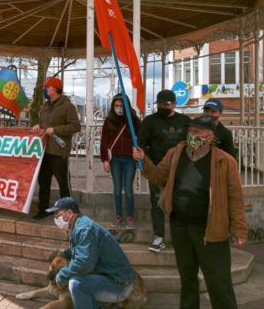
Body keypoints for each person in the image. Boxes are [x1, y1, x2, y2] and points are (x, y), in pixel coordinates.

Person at [132, 116, 247, 309]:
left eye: (197, 132)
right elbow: (159, 176)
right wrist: (144, 160)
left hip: (210, 230)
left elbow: (235, 198)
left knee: (218, 281)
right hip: (180, 227)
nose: (191, 135)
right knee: (187, 278)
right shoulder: (176, 153)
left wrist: (239, 229)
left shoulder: (225, 161)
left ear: (210, 137)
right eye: (190, 131)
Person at [46, 197, 135, 308]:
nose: (56, 218)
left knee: (76, 283)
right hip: (111, 280)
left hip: (119, 286)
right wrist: (64, 255)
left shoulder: (85, 229)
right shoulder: (80, 226)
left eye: (57, 215)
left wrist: (62, 275)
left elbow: (84, 263)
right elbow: (78, 251)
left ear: (69, 213)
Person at [138, 89, 191, 253]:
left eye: (166, 104)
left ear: (174, 104)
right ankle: (158, 236)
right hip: (157, 169)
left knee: (181, 203)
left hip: (181, 170)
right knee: (157, 202)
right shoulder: (149, 121)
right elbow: (141, 144)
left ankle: (180, 236)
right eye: (160, 104)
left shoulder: (185, 121)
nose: (162, 107)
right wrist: (147, 162)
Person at [31, 77, 81, 221]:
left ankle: (69, 212)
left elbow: (75, 126)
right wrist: (38, 127)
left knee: (64, 184)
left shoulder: (67, 106)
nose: (45, 91)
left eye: (47, 88)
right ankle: (43, 210)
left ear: (53, 89)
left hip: (59, 152)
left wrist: (56, 130)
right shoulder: (45, 106)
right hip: (45, 150)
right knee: (43, 182)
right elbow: (43, 124)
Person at [100, 93, 141, 229]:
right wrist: (105, 160)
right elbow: (104, 141)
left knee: (128, 189)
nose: (118, 108)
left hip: (130, 159)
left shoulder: (133, 120)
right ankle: (118, 215)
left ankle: (130, 217)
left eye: (121, 106)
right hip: (115, 159)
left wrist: (140, 154)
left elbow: (140, 138)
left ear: (126, 106)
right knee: (117, 189)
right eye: (116, 105)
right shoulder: (109, 120)